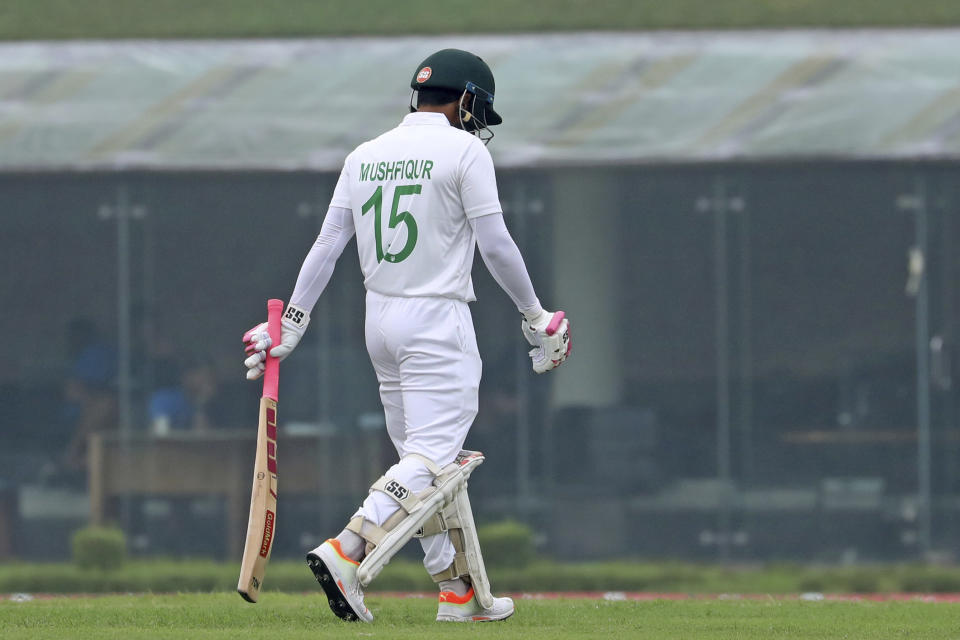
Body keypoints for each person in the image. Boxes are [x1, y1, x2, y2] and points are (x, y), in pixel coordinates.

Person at [243, 48, 570, 624]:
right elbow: (495, 245)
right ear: (466, 99)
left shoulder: (365, 154)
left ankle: (459, 589)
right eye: (477, 110)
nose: (478, 124)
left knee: (423, 465)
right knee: (429, 460)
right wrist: (534, 316)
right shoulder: (465, 150)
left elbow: (326, 247)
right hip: (438, 320)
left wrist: (291, 324)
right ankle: (348, 550)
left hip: (381, 320)